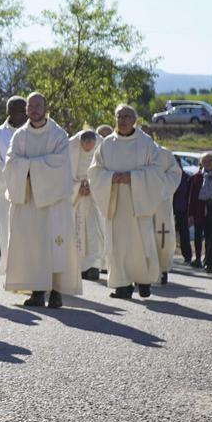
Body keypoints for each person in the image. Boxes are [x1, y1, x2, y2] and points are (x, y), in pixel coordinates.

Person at [87, 106, 177, 299]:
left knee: (140, 244)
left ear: (134, 120)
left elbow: (156, 170)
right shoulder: (107, 144)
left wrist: (133, 178)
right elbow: (94, 171)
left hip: (139, 202)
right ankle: (122, 285)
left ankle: (144, 281)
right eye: (119, 116)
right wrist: (110, 177)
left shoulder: (145, 143)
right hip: (115, 201)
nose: (122, 120)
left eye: (127, 116)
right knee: (117, 245)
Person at [2, 93, 80, 307]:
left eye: (38, 105)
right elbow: (10, 163)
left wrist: (28, 168)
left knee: (55, 244)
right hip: (28, 200)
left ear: (46, 109)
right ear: (26, 110)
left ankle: (56, 291)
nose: (34, 109)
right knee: (32, 245)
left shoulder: (58, 135)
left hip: (53, 201)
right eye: (31, 106)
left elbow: (60, 164)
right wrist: (30, 168)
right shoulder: (19, 136)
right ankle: (37, 291)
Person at [0, 96, 26, 272]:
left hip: (33, 191)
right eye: (16, 110)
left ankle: (32, 273)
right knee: (9, 231)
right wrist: (16, 183)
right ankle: (13, 271)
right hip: (7, 194)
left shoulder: (33, 131)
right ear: (8, 112)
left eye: (23, 110)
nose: (20, 114)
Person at [69, 129, 104, 281]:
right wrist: (77, 188)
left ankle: (93, 266)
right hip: (75, 196)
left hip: (94, 195)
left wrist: (91, 186)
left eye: (91, 145)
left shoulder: (103, 146)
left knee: (94, 230)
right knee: (75, 229)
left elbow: (104, 171)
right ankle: (76, 266)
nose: (88, 148)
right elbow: (64, 173)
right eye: (85, 146)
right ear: (81, 143)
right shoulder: (70, 147)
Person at [153, 145, 183, 285]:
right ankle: (140, 273)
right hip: (141, 200)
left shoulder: (164, 153)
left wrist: (158, 184)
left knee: (162, 235)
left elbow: (175, 173)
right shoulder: (137, 151)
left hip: (161, 201)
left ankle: (163, 269)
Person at [172, 155, 193, 266]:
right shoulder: (165, 176)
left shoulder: (186, 178)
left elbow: (190, 196)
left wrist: (190, 213)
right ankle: (166, 256)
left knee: (184, 233)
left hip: (182, 209)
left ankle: (187, 256)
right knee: (166, 234)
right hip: (167, 209)